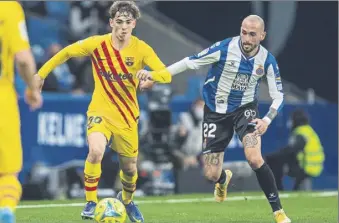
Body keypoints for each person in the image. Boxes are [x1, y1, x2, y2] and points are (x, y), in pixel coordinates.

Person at [137, 15, 291, 223]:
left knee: (254, 157)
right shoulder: (224, 48)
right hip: (215, 113)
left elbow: (278, 95)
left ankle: (278, 212)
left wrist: (266, 120)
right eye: (243, 32)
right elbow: (189, 62)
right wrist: (156, 76)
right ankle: (222, 179)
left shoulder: (267, 61)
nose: (246, 38)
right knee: (210, 173)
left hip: (245, 110)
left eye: (252, 34)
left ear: (262, 35)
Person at [33, 1, 171, 222]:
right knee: (96, 151)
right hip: (100, 112)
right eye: (119, 22)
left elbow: (166, 74)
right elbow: (66, 52)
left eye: (128, 22)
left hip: (126, 118)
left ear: (134, 24)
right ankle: (90, 201)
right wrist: (41, 74)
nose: (123, 27)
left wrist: (150, 78)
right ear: (111, 23)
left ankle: (127, 201)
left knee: (130, 169)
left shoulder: (142, 49)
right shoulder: (97, 44)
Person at [0, 2, 43, 223]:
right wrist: (32, 89)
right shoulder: (8, 9)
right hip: (2, 97)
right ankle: (5, 211)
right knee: (7, 172)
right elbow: (24, 60)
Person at [266, 109, 325, 191]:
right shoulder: (308, 131)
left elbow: (292, 149)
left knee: (275, 161)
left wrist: (272, 155)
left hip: (305, 167)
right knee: (279, 158)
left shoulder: (301, 133)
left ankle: (278, 189)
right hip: (314, 166)